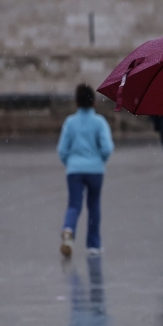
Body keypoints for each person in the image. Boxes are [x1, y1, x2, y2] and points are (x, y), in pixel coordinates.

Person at [57, 84, 114, 257]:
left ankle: (68, 229)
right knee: (94, 205)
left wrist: (70, 163)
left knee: (74, 204)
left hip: (74, 169)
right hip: (95, 170)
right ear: (94, 102)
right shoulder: (99, 122)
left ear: (76, 102)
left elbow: (62, 149)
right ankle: (93, 245)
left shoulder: (70, 122)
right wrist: (99, 160)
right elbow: (107, 147)